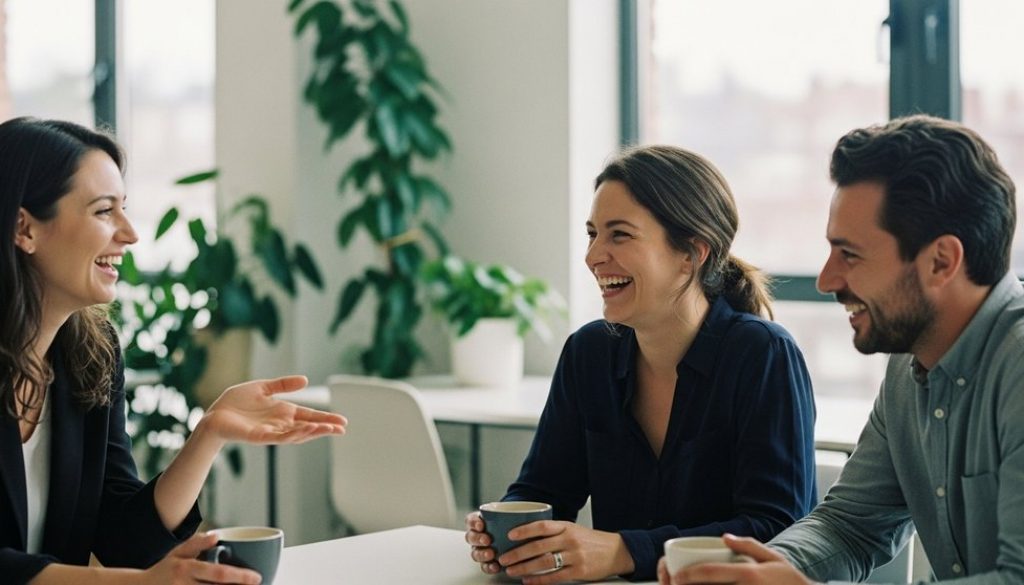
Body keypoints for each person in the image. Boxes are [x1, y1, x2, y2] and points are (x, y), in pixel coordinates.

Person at [658, 115, 1024, 585]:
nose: (826, 280)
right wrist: (760, 570)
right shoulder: (909, 365)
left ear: (941, 261)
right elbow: (849, 527)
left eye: (849, 254)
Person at [0, 117, 348, 585]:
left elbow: (125, 541)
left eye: (125, 209)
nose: (129, 233)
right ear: (24, 228)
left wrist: (209, 434)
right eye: (104, 211)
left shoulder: (91, 357)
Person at [464, 145, 817, 583]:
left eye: (619, 235)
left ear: (691, 252)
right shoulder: (588, 353)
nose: (594, 256)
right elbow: (543, 491)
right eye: (592, 234)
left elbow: (777, 528)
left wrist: (624, 551)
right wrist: (510, 534)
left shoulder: (762, 354)